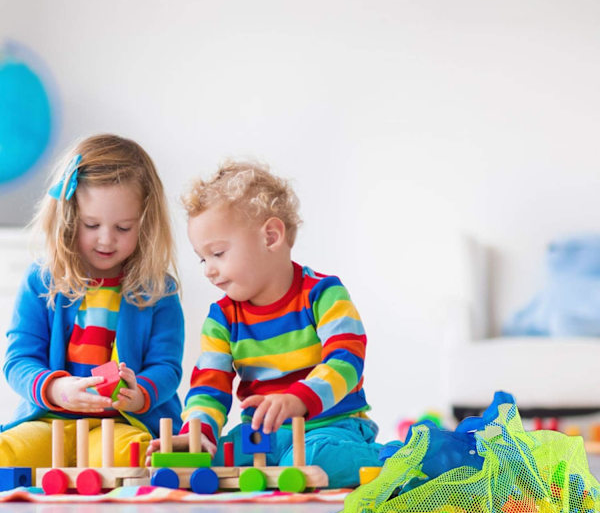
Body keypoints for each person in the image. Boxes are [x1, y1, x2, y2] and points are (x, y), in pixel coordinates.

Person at [146, 161, 382, 487]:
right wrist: (199, 431)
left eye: (218, 253)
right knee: (203, 460)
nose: (209, 271)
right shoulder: (222, 318)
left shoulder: (323, 294)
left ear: (270, 237)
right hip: (263, 436)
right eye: (203, 259)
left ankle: (387, 460)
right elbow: (208, 386)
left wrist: (298, 399)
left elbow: (347, 360)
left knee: (312, 459)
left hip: (330, 425)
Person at [1, 134, 184, 472]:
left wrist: (140, 393)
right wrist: (56, 388)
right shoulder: (42, 281)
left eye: (123, 227)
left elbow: (167, 366)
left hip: (118, 425)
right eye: (91, 224)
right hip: (49, 421)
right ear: (68, 217)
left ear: (145, 224)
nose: (106, 239)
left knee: (136, 457)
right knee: (6, 453)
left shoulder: (159, 291)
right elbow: (19, 360)